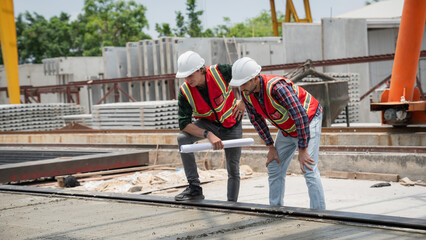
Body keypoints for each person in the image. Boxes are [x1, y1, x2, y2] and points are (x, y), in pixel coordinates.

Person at [229, 57, 326, 209]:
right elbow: (257, 121)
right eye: (239, 85)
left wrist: (302, 149)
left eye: (244, 83)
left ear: (255, 78)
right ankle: (276, 209)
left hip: (308, 119)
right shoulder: (247, 93)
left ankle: (319, 213)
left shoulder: (277, 88)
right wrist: (271, 147)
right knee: (274, 165)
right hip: (288, 128)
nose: (241, 88)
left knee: (308, 167)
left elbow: (300, 115)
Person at [174, 51, 245, 202]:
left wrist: (244, 101)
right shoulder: (185, 91)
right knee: (183, 138)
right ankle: (194, 188)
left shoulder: (220, 72)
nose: (187, 79)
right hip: (209, 125)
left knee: (233, 169)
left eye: (190, 75)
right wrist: (208, 134)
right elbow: (184, 124)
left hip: (232, 124)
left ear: (201, 69)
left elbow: (247, 76)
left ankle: (231, 204)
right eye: (185, 76)